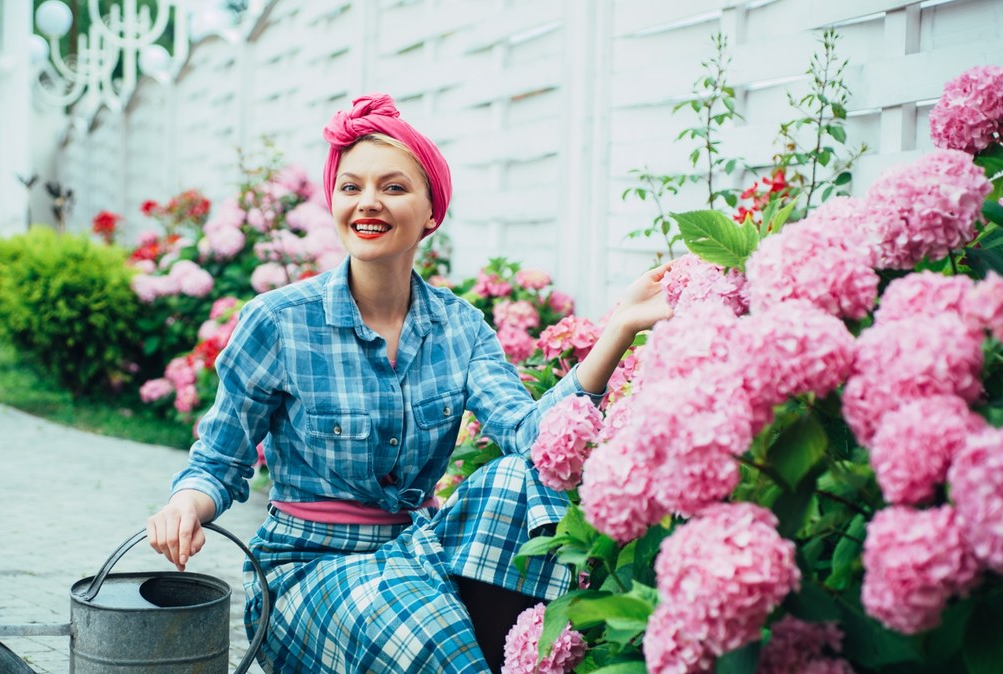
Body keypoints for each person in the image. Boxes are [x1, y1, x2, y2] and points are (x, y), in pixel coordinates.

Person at [147, 93, 674, 673]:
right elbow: (219, 462)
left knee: (519, 479)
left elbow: (532, 436)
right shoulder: (277, 321)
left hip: (412, 550)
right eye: (351, 188)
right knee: (431, 634)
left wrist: (620, 325)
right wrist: (182, 507)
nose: (368, 202)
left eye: (393, 187)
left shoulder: (460, 327)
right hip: (306, 574)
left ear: (430, 211)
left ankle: (517, 659)